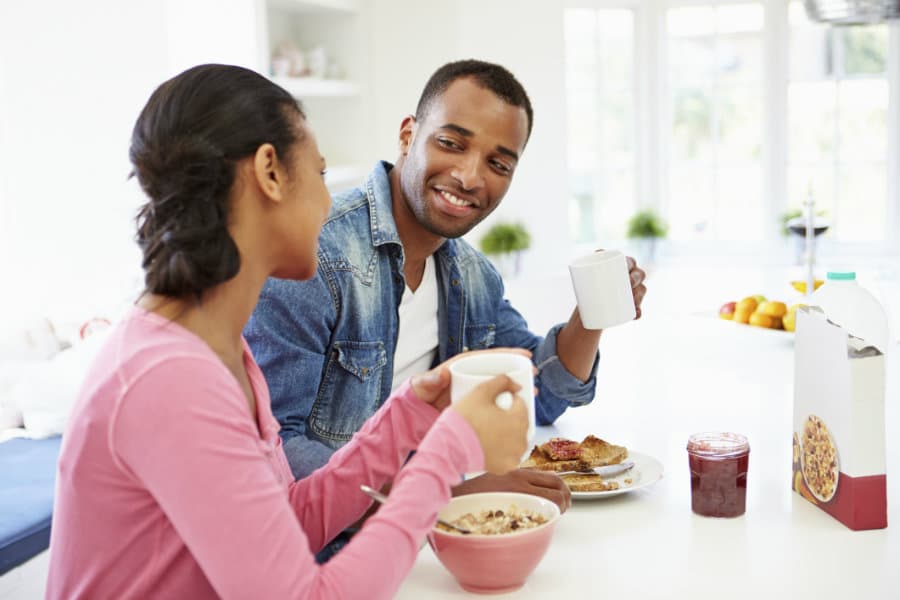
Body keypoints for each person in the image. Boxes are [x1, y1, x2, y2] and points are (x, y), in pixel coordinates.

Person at [45, 64, 530, 599]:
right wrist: (450, 453)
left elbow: (288, 520)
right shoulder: (169, 379)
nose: (328, 203)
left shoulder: (219, 352)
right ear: (270, 171)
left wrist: (411, 414)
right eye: (319, 176)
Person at [245, 60, 647, 513]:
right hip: (335, 548)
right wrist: (439, 497)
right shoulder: (314, 256)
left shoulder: (473, 278)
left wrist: (590, 317)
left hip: (425, 539)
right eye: (452, 143)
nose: (470, 177)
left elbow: (541, 396)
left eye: (498, 163)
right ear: (407, 136)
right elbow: (277, 448)